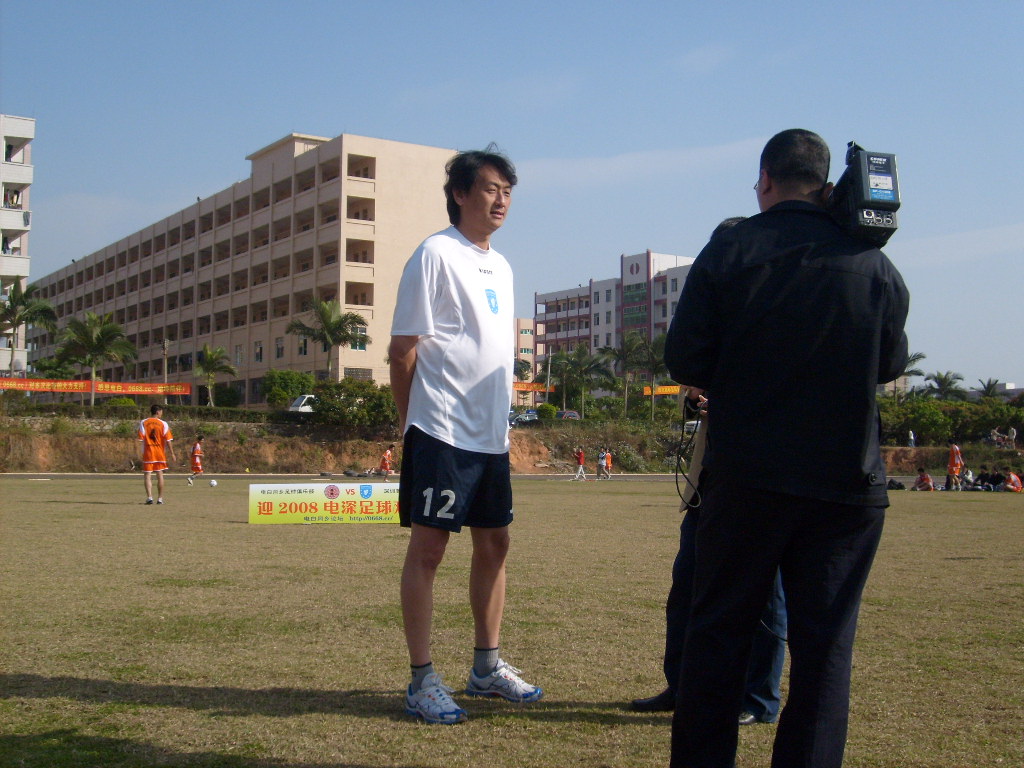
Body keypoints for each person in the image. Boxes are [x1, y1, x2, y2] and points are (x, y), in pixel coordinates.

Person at [664, 129, 910, 768]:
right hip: (846, 485)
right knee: (826, 653)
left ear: (766, 179)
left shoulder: (732, 248)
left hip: (748, 478)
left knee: (717, 638)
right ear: (827, 186)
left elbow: (685, 357)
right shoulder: (873, 262)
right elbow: (889, 363)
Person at [389, 146, 541, 725]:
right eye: (491, 189)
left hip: (490, 435)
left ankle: (486, 667)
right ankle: (421, 680)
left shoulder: (501, 266)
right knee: (429, 550)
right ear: (460, 194)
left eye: (508, 192)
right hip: (441, 429)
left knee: (495, 545)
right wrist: (409, 421)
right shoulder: (435, 253)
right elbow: (403, 350)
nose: (501, 201)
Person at [633, 218, 787, 726]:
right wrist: (697, 395)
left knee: (765, 594)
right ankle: (683, 686)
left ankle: (758, 698)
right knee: (687, 586)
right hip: (709, 478)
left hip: (761, 477)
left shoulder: (778, 309)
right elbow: (693, 377)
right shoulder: (718, 316)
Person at [138, 404, 177, 505]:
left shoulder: (143, 422)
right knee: (160, 474)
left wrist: (139, 451)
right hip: (159, 453)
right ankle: (160, 499)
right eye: (161, 412)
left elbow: (140, 438)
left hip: (148, 452)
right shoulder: (163, 424)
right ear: (158, 412)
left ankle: (149, 497)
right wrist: (172, 453)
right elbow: (168, 440)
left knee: (147, 475)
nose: (161, 414)